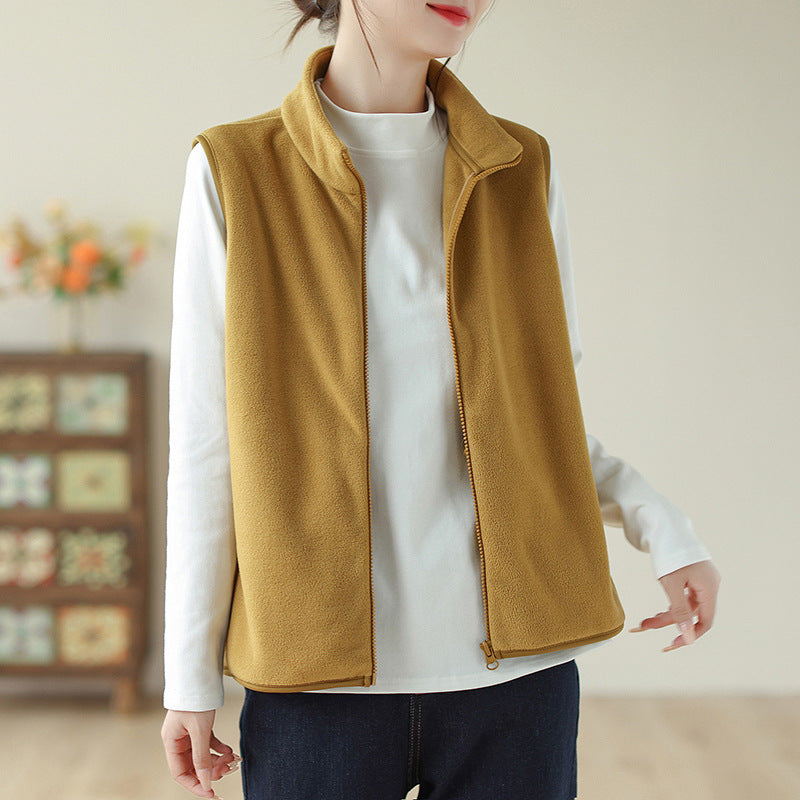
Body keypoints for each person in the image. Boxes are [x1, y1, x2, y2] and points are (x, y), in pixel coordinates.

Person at [160, 1, 722, 798]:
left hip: (518, 680)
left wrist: (662, 526)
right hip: (316, 681)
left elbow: (542, 416)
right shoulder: (237, 170)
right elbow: (208, 444)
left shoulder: (519, 166)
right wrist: (189, 678)